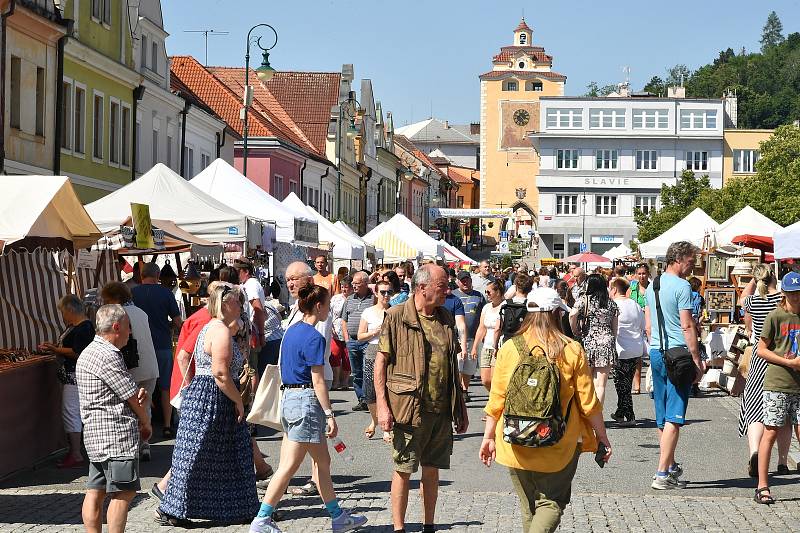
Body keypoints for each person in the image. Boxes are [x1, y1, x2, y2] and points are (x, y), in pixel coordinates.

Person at [479, 287, 612, 532]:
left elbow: (497, 398)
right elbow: (588, 402)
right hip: (558, 444)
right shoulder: (571, 349)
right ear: (555, 313)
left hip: (514, 440)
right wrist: (601, 436)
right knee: (551, 503)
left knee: (529, 506)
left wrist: (488, 437)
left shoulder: (510, 347)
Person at [249, 285, 368, 533]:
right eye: (328, 306)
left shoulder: (291, 331)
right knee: (291, 466)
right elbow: (317, 380)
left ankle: (337, 517)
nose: (330, 312)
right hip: (305, 401)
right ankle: (261, 519)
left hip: (290, 400)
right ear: (318, 306)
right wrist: (329, 413)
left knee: (321, 462)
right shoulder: (314, 337)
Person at [374, 264, 468, 533]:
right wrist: (382, 406)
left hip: (440, 408)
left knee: (432, 468)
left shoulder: (446, 317)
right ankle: (399, 528)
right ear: (421, 287)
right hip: (408, 406)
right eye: (442, 287)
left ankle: (429, 525)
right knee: (404, 467)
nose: (447, 291)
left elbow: (452, 366)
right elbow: (381, 363)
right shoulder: (396, 316)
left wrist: (460, 406)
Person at [157, 285, 259, 525]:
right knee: (205, 454)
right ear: (225, 304)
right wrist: (238, 402)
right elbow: (221, 373)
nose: (241, 306)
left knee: (204, 454)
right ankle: (174, 508)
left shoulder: (211, 327)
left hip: (206, 394)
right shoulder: (220, 330)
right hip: (214, 396)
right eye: (237, 302)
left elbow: (188, 357)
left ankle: (232, 508)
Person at [76, 305, 151, 533]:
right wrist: (145, 420)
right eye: (129, 327)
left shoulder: (89, 351)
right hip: (114, 434)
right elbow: (129, 395)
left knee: (95, 491)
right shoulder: (107, 354)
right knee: (124, 492)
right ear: (117, 327)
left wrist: (135, 395)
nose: (130, 332)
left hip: (96, 434)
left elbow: (122, 390)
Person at [644, 241, 704, 490]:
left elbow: (648, 324)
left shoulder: (652, 285)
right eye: (691, 262)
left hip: (657, 352)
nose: (692, 267)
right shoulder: (682, 287)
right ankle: (661, 474)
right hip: (678, 355)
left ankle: (669, 466)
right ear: (678, 259)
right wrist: (697, 359)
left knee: (662, 415)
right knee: (675, 417)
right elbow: (687, 325)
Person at [280, 261, 334, 497]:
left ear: (309, 281)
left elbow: (318, 363)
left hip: (310, 382)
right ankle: (269, 506)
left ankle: (313, 484)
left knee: (312, 442)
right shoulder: (297, 309)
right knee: (308, 446)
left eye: (295, 278)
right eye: (288, 279)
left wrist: (329, 412)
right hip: (298, 386)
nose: (290, 283)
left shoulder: (317, 315)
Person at [738, 265, 793, 477]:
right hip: (780, 357)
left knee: (754, 409)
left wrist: (753, 280)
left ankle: (754, 452)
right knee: (784, 415)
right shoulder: (782, 298)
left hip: (759, 361)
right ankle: (781, 462)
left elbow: (743, 300)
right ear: (775, 278)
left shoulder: (753, 301)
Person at [754, 271, 800, 504]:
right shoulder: (776, 316)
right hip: (778, 382)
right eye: (792, 293)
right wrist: (788, 362)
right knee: (770, 432)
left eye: (798, 293)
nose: (795, 297)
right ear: (784, 293)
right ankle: (762, 485)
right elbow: (761, 350)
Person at [100, 282, 159, 462]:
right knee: (145, 406)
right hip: (150, 366)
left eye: (107, 299)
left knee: (130, 407)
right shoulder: (141, 312)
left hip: (131, 366)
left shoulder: (117, 314)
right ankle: (145, 445)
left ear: (115, 298)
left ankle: (133, 447)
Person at [38, 294, 95, 469]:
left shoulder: (84, 328)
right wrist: (55, 348)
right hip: (71, 374)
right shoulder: (76, 326)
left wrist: (56, 349)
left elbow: (78, 352)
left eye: (63, 312)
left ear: (70, 310)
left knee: (71, 412)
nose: (63, 316)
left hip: (75, 375)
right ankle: (76, 451)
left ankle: (76, 453)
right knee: (73, 412)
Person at [132, 262, 183, 437]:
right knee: (165, 387)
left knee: (139, 386)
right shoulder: (166, 293)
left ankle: (142, 425)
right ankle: (168, 425)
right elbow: (177, 322)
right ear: (158, 275)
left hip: (139, 347)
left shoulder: (132, 293)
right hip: (162, 345)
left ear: (141, 275)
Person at [570, 274, 619, 405]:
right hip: (607, 342)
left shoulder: (584, 300)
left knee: (587, 381)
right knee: (601, 384)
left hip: (589, 342)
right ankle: (598, 416)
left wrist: (575, 330)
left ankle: (587, 414)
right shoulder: (611, 303)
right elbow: (615, 328)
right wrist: (611, 340)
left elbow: (572, 314)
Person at [359, 279, 392, 441]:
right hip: (373, 350)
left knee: (387, 390)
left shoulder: (395, 311)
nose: (386, 295)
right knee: (370, 392)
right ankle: (375, 420)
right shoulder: (368, 311)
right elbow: (360, 336)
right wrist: (376, 331)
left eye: (389, 292)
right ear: (376, 293)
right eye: (383, 292)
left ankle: (387, 428)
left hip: (391, 353)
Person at [609, 278, 646, 425]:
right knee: (626, 382)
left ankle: (630, 417)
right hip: (635, 348)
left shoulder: (613, 306)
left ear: (615, 290)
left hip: (621, 349)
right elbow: (643, 325)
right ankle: (620, 413)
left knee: (621, 385)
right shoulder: (635, 305)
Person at [341, 271, 374, 411]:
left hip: (368, 340)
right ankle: (362, 399)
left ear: (366, 284)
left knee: (368, 371)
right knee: (356, 372)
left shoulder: (373, 299)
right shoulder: (349, 299)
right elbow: (344, 320)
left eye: (357, 283)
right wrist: (347, 339)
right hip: (353, 341)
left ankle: (369, 398)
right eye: (353, 283)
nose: (353, 286)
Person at [453, 271, 486, 401]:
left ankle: (465, 389)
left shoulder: (479, 296)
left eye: (467, 280)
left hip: (473, 337)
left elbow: (483, 315)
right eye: (462, 280)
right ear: (458, 282)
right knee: (458, 364)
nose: (465, 282)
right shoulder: (453, 296)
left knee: (469, 367)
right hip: (456, 338)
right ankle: (458, 389)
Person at [234, 257, 266, 371]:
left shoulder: (251, 285)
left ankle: (253, 390)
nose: (236, 275)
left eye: (238, 272)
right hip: (253, 332)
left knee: (251, 369)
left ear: (246, 272)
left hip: (252, 332)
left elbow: (258, 310)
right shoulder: (251, 284)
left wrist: (261, 334)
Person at [472, 280, 505, 392]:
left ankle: (496, 402)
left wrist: (496, 347)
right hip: (486, 346)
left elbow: (498, 329)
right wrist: (475, 347)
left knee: (494, 379)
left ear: (498, 292)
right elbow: (481, 327)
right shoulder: (486, 307)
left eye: (489, 292)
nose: (487, 294)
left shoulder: (504, 306)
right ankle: (494, 398)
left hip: (499, 347)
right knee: (485, 380)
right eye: (486, 292)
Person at [628, 263, 650, 394]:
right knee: (636, 355)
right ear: (636, 275)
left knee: (653, 352)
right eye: (639, 273)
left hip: (650, 323)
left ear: (648, 274)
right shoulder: (632, 288)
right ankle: (637, 385)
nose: (642, 276)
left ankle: (652, 381)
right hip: (635, 324)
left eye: (644, 273)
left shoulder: (653, 288)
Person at [329, 275, 353, 391]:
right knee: (335, 356)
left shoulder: (354, 299)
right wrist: (330, 326)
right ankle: (336, 380)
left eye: (346, 287)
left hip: (350, 332)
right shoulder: (335, 298)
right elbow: (329, 313)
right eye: (342, 287)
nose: (344, 289)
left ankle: (345, 381)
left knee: (347, 357)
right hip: (336, 331)